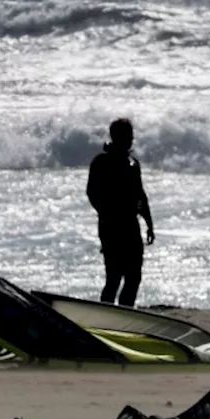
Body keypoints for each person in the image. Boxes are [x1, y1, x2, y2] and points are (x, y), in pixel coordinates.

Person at [86, 118, 154, 306]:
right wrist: (106, 213)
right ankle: (106, 314)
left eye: (131, 136)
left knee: (134, 276)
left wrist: (149, 223)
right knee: (114, 277)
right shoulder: (101, 162)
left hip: (131, 225)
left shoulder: (133, 163)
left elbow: (141, 195)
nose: (131, 140)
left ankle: (126, 309)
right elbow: (92, 192)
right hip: (110, 227)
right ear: (117, 137)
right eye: (127, 136)